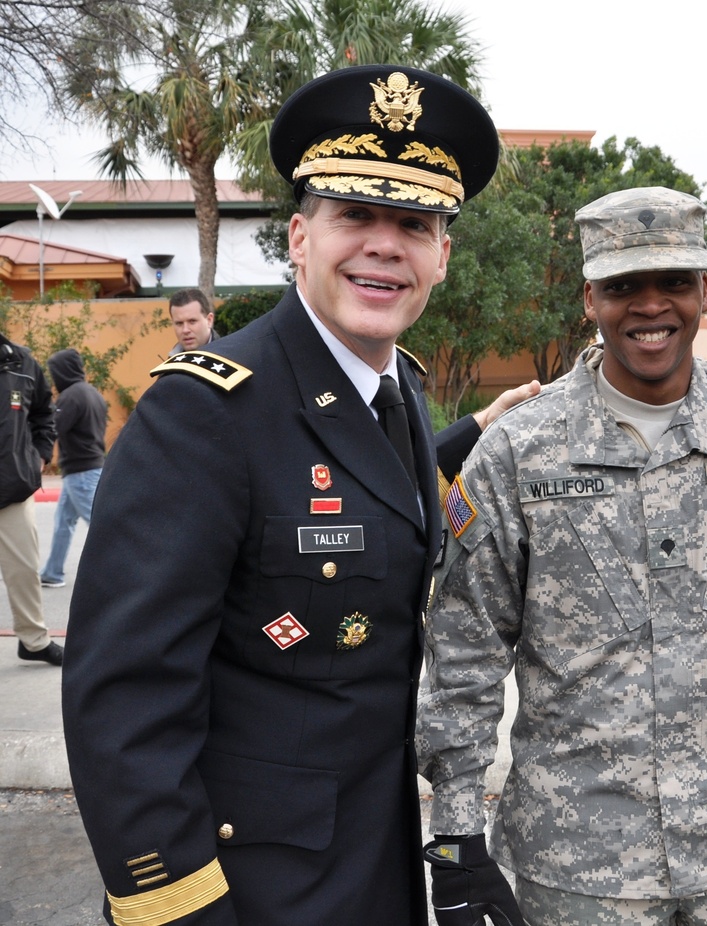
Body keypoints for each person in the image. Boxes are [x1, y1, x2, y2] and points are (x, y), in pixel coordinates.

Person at [62, 64, 538, 926]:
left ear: (443, 254)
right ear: (298, 238)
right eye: (354, 215)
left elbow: (364, 506)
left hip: (369, 863)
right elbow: (125, 698)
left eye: (415, 223)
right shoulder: (205, 411)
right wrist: (175, 905)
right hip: (249, 892)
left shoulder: (397, 391)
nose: (384, 244)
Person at [418, 187, 707, 926]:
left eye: (673, 282)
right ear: (590, 298)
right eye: (622, 287)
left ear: (705, 290)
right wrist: (454, 834)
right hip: (579, 865)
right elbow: (465, 653)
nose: (650, 307)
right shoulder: (519, 450)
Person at [0, 332, 62, 666]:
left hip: (12, 487)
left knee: (23, 570)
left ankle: (34, 641)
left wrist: (39, 455)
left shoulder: (23, 362)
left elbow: (43, 412)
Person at [38, 348, 107, 588]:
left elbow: (54, 428)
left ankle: (128, 573)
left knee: (101, 525)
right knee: (63, 524)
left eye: (54, 372)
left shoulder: (71, 397)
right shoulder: (92, 393)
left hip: (81, 472)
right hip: (88, 468)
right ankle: (52, 572)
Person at [167, 287, 219, 355]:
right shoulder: (172, 361)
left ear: (209, 320)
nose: (185, 330)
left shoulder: (229, 359)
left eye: (192, 321)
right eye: (179, 323)